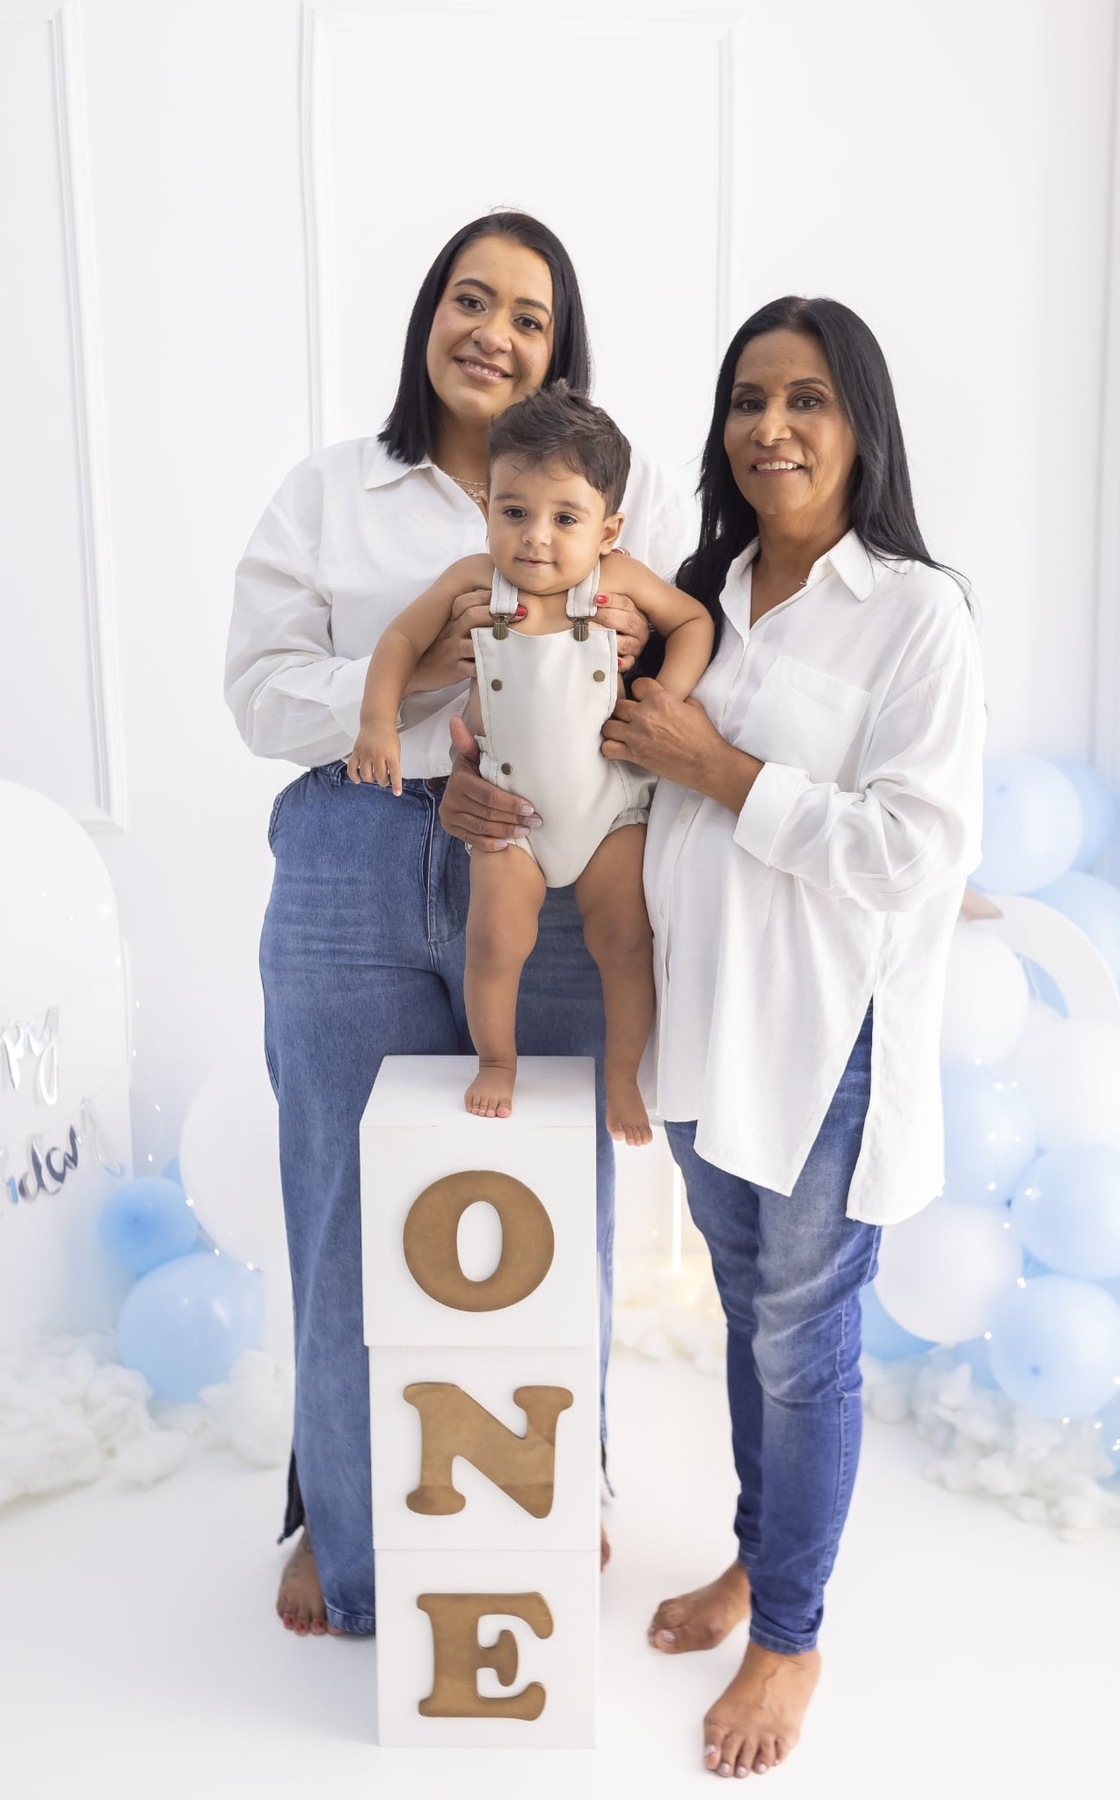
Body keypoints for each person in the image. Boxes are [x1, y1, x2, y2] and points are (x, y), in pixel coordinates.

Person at [441, 297, 985, 1777]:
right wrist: (483, 769)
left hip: (820, 1047)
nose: (772, 428)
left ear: (862, 423)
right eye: (748, 399)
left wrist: (722, 768)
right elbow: (589, 757)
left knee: (805, 1348)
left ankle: (791, 1636)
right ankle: (762, 1556)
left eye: (808, 399)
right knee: (752, 1320)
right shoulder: (699, 588)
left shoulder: (915, 614)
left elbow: (907, 853)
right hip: (699, 1026)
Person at [224, 212, 691, 1638]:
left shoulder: (619, 491)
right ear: (429, 315)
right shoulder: (333, 493)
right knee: (341, 1190)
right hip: (358, 850)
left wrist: (578, 736)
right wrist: (443, 695)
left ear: (562, 348)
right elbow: (258, 689)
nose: (493, 330)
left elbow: (664, 660)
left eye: (529, 315)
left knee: (559, 1182)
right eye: (469, 300)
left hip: (550, 856)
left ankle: (567, 1481)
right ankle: (339, 1511)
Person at [346, 384, 713, 1134]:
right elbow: (397, 643)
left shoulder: (620, 582)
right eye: (514, 512)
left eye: (564, 518)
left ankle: (621, 1076)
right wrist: (376, 724)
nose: (535, 538)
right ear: (486, 510)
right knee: (493, 944)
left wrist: (662, 701)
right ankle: (498, 1061)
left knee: (625, 942)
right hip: (507, 813)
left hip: (611, 809)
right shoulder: (473, 581)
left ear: (608, 530)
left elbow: (696, 621)